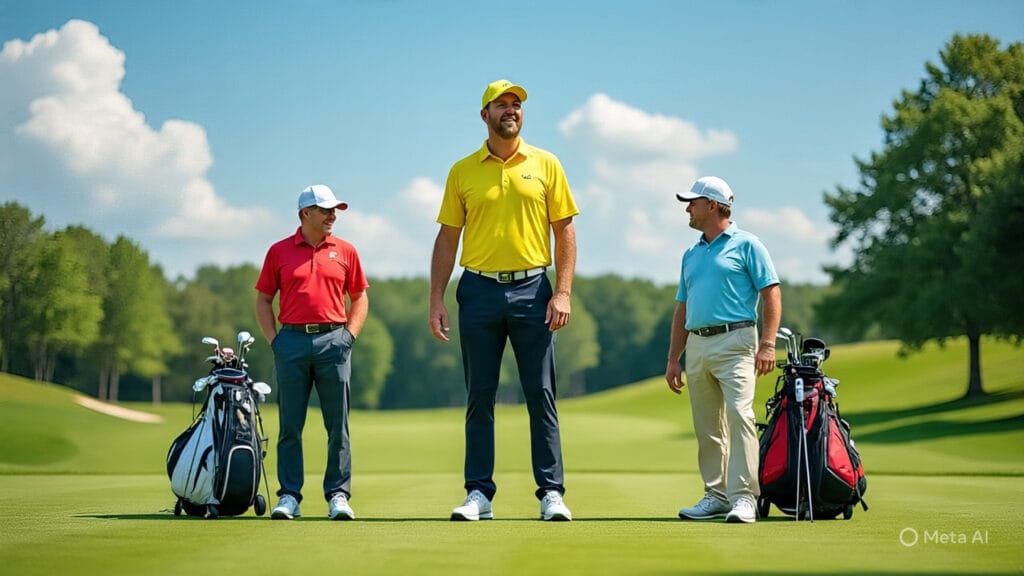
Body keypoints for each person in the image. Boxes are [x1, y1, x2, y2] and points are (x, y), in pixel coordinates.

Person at [429, 79, 579, 522]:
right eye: (502, 105)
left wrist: (564, 291)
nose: (511, 111)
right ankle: (479, 493)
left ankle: (551, 492)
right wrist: (436, 297)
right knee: (480, 395)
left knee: (542, 394)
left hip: (534, 290)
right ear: (485, 115)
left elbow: (565, 230)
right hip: (476, 290)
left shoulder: (546, 164)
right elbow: (447, 237)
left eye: (517, 105)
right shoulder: (462, 170)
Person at [664, 176, 781, 524]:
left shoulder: (748, 245)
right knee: (707, 426)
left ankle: (743, 497)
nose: (688, 208)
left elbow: (771, 293)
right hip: (697, 343)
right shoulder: (691, 253)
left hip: (737, 341)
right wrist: (674, 358)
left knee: (740, 416)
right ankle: (715, 495)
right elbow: (682, 308)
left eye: (693, 202)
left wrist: (768, 344)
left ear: (712, 206)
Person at [255, 184, 369, 521]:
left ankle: (338, 495)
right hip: (290, 343)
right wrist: (275, 340)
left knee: (338, 426)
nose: (333, 216)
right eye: (326, 210)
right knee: (290, 425)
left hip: (334, 341)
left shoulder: (346, 251)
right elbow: (263, 299)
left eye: (335, 210)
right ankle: (290, 495)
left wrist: (349, 335)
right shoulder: (279, 252)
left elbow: (360, 296)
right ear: (306, 213)